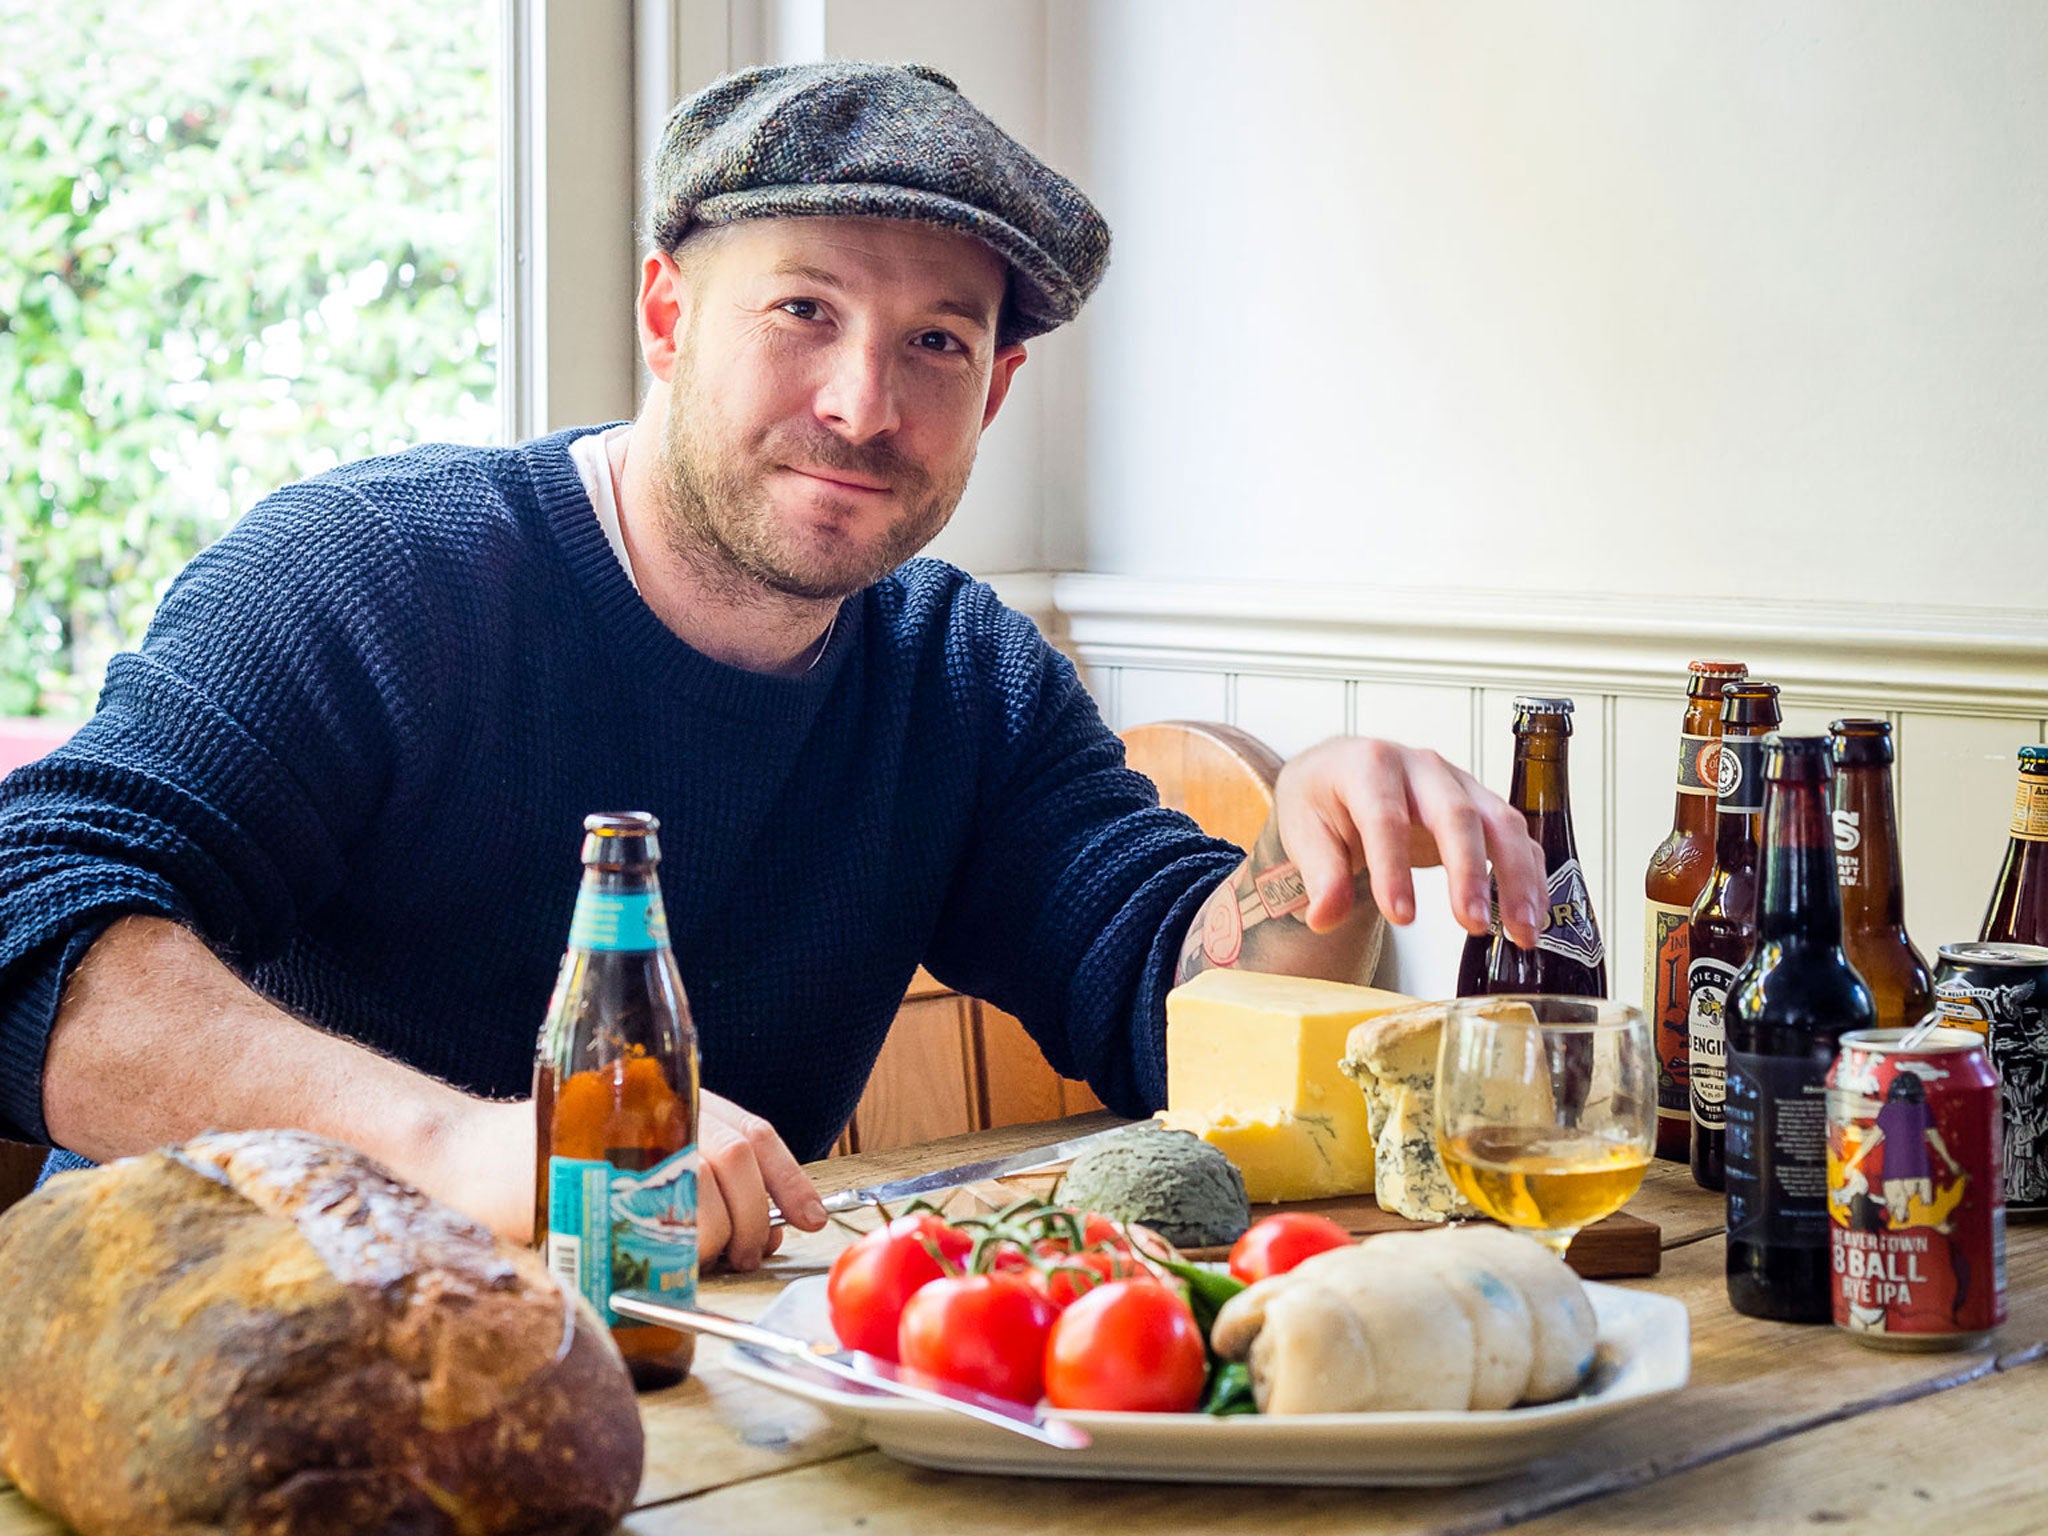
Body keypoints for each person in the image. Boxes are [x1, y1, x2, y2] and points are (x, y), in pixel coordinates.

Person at [0, 61, 1546, 1270]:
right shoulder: (371, 575)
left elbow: (1168, 987)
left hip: (678, 1395)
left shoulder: (963, 682)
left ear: (996, 392)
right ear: (669, 313)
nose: (863, 404)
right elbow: (33, 911)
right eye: (804, 310)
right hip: (206, 1343)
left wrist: (1314, 855)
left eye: (936, 343)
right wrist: (472, 1148)